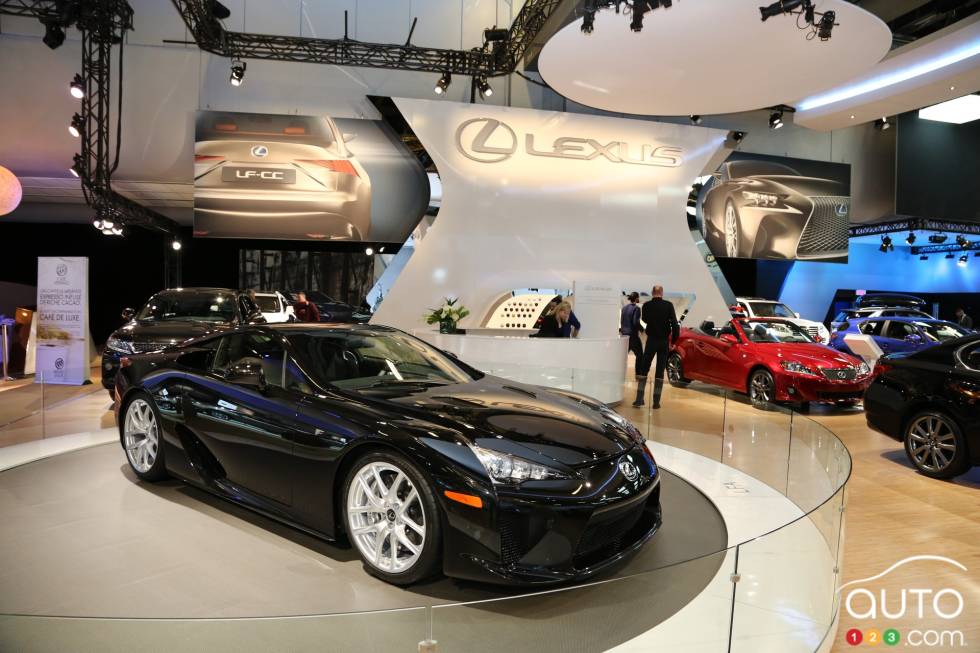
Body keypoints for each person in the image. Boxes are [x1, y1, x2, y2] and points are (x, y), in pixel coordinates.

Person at [634, 285, 680, 409]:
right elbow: (675, 325)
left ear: (652, 292)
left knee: (644, 368)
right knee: (660, 371)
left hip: (651, 341)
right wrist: (674, 341)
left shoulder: (647, 305)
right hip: (664, 342)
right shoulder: (668, 305)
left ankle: (639, 399)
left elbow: (644, 321)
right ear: (662, 293)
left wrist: (644, 327)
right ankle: (656, 402)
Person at [620, 292, 643, 371]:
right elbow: (635, 322)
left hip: (623, 335)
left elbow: (622, 321)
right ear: (636, 298)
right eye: (638, 297)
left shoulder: (624, 308)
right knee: (640, 355)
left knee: (623, 357)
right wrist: (642, 329)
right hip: (633, 336)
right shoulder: (636, 308)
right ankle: (639, 374)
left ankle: (620, 373)